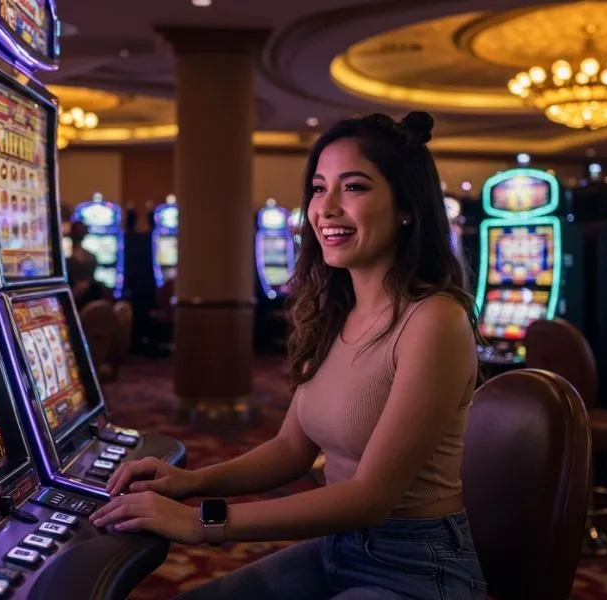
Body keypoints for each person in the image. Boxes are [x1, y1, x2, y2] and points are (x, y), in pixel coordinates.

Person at [90, 112, 486, 599]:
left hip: (418, 568)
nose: (326, 208)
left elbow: (371, 498)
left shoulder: (434, 322)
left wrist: (202, 522)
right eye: (319, 189)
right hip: (336, 546)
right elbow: (290, 451)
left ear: (407, 206)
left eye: (355, 187)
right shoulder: (332, 311)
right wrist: (190, 482)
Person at [66, 220, 103, 308]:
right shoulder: (65, 255)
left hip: (86, 298)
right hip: (70, 295)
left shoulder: (91, 256)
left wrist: (82, 286)